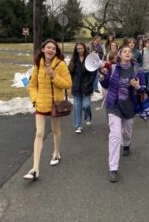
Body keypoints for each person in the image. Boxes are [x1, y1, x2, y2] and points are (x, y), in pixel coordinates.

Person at [23, 39, 72, 181]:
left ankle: (56, 152)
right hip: (40, 104)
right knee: (39, 133)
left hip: (55, 104)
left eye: (54, 48)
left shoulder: (61, 64)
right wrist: (35, 99)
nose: (51, 50)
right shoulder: (38, 65)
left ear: (56, 52)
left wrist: (54, 76)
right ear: (43, 49)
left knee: (56, 130)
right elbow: (32, 86)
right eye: (48, 47)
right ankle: (35, 169)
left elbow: (68, 84)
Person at [99, 46, 145, 183]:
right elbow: (106, 84)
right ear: (119, 55)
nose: (127, 53)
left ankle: (127, 144)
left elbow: (143, 89)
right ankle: (113, 168)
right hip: (113, 106)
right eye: (124, 51)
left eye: (129, 52)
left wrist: (137, 87)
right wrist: (102, 77)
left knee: (127, 131)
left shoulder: (138, 70)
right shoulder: (113, 69)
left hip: (129, 106)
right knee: (115, 135)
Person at [68, 43, 97, 134]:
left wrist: (89, 83)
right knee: (77, 107)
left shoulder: (89, 59)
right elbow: (71, 73)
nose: (80, 50)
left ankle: (88, 115)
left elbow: (93, 72)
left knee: (86, 105)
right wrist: (74, 82)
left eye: (81, 48)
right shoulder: (74, 60)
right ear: (76, 50)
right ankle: (78, 126)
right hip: (77, 87)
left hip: (86, 87)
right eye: (78, 49)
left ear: (84, 48)